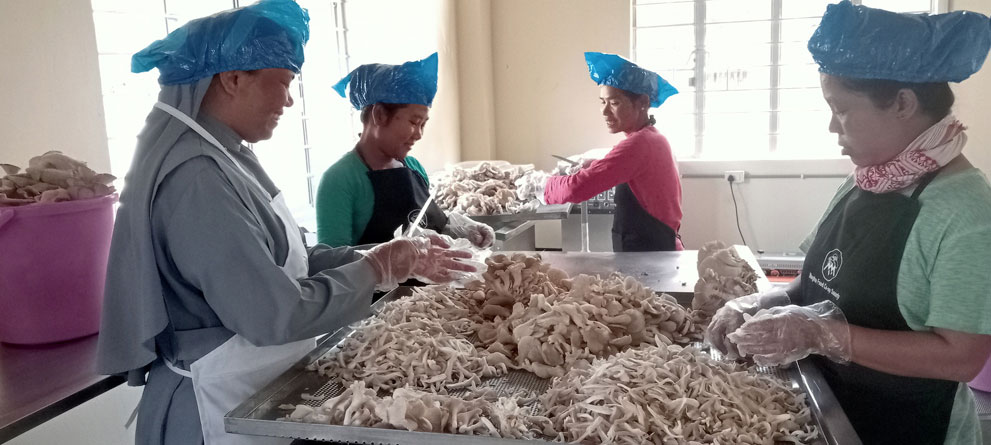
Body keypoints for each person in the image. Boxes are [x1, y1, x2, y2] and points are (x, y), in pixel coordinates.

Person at [95, 2, 474, 444]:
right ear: (233, 79)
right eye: (284, 82)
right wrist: (375, 271)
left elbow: (288, 259)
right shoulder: (196, 178)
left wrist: (380, 256)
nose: (289, 100)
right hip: (211, 408)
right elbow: (272, 313)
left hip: (249, 390)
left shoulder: (229, 156)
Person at [706, 2, 991, 443]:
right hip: (833, 409)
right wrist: (755, 304)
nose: (831, 127)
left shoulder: (966, 215)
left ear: (902, 102)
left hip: (912, 427)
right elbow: (814, 285)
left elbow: (961, 358)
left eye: (840, 110)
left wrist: (823, 334)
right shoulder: (867, 181)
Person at [315, 53, 495, 249]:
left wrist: (460, 229)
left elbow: (428, 225)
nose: (418, 134)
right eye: (414, 122)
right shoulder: (340, 180)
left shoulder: (413, 167)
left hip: (435, 280)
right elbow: (331, 262)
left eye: (423, 125)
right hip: (377, 282)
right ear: (380, 115)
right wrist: (388, 259)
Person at [518, 52, 683, 252]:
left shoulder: (641, 144)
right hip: (653, 251)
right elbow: (615, 163)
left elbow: (576, 188)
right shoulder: (650, 138)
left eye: (614, 103)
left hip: (653, 256)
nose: (604, 111)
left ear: (643, 103)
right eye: (602, 102)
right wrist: (590, 164)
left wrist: (541, 184)